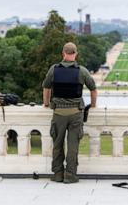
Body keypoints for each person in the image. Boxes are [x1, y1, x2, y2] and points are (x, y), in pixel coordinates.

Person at [42, 42, 97, 184]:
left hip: (58, 112)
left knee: (57, 145)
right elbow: (93, 89)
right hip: (76, 114)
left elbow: (46, 87)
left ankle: (58, 174)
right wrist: (94, 105)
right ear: (76, 54)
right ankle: (70, 175)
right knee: (73, 146)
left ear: (63, 53)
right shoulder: (82, 71)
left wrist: (46, 103)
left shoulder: (53, 69)